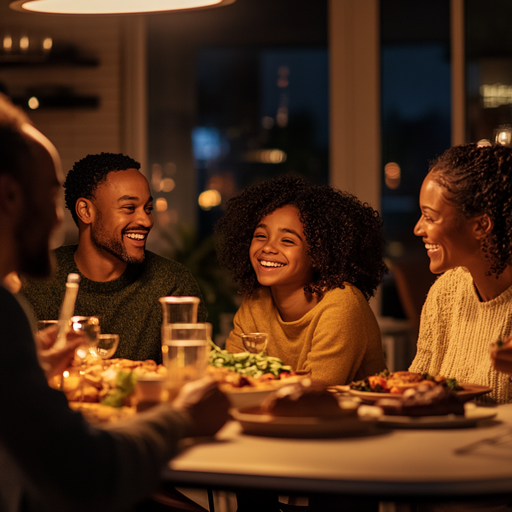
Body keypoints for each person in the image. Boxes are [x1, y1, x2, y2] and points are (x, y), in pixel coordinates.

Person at [0, 93, 229, 512]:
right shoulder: (5, 310)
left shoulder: (171, 280)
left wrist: (31, 370)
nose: (56, 218)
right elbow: (88, 472)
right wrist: (181, 419)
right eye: (50, 198)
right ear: (9, 196)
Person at [20, 152, 206, 364]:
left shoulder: (172, 285)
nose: (146, 221)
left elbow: (189, 376)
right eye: (129, 208)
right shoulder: (34, 278)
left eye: (148, 209)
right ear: (85, 211)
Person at [216, 175, 387, 387]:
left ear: (318, 254)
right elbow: (230, 379)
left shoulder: (342, 304)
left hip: (354, 418)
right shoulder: (256, 301)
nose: (267, 248)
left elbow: (313, 391)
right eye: (260, 236)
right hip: (273, 416)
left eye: (287, 240)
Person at [410, 142, 512, 404]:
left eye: (429, 217)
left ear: (480, 225)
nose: (418, 229)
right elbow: (414, 391)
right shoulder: (445, 293)